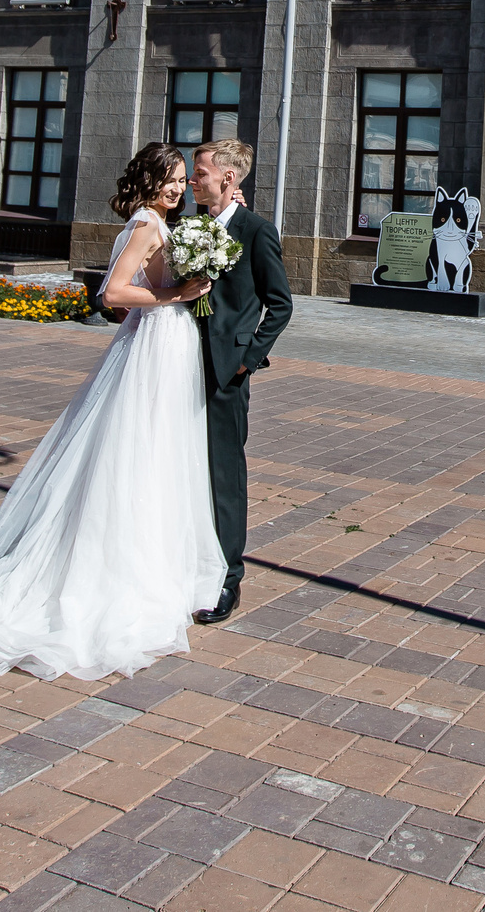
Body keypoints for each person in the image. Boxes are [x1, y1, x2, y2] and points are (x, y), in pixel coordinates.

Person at [0, 143, 223, 680]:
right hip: (155, 343)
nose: (177, 188)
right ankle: (119, 572)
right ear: (148, 181)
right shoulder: (147, 224)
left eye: (180, 180)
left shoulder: (154, 223)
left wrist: (178, 287)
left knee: (155, 449)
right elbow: (112, 294)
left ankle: (148, 559)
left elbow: (128, 298)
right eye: (169, 179)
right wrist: (175, 295)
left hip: (159, 343)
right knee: (142, 449)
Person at [185, 139, 293, 625]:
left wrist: (247, 360)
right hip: (178, 364)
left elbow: (281, 304)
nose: (193, 181)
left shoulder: (256, 231)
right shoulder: (190, 227)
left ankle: (228, 578)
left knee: (224, 475)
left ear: (228, 178)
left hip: (225, 373)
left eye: (201, 173)